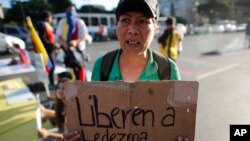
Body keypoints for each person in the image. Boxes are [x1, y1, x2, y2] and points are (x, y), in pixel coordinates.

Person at [64, 0, 186, 140]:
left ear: (156, 28)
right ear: (116, 26)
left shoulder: (168, 70)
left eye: (142, 21)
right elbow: (94, 122)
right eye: (125, 20)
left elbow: (178, 123)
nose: (132, 29)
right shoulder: (102, 66)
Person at [55, 2, 89, 81]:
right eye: (68, 10)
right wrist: (65, 44)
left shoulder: (79, 22)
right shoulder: (62, 22)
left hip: (78, 49)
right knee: (64, 68)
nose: (70, 12)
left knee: (81, 68)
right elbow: (58, 36)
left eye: (72, 10)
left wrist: (76, 41)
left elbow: (85, 35)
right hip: (66, 50)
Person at [37, 10, 60, 86]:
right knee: (51, 66)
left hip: (51, 48)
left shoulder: (46, 24)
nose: (51, 19)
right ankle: (51, 82)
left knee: (52, 65)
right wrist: (53, 45)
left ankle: (51, 81)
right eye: (51, 17)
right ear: (47, 17)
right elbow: (43, 39)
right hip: (48, 49)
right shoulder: (42, 25)